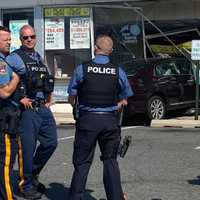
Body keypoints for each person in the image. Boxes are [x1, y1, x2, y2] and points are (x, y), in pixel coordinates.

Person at [68, 34, 133, 200]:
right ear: (110, 51)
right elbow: (125, 99)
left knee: (82, 163)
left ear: (95, 48)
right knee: (110, 161)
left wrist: (79, 107)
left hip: (87, 120)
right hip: (110, 121)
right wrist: (114, 105)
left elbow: (72, 97)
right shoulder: (118, 71)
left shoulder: (82, 69)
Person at [6, 25, 57, 200]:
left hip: (43, 108)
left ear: (35, 38)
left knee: (51, 143)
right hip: (27, 111)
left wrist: (49, 99)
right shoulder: (13, 58)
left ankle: (31, 174)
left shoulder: (38, 57)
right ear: (20, 39)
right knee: (27, 150)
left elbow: (45, 80)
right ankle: (25, 185)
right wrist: (19, 98)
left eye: (32, 37)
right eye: (25, 37)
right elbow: (5, 81)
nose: (29, 40)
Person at [0, 26, 20, 200]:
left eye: (9, 39)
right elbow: (4, 92)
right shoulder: (1, 63)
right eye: (5, 39)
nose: (9, 42)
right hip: (4, 116)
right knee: (6, 161)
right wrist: (16, 79)